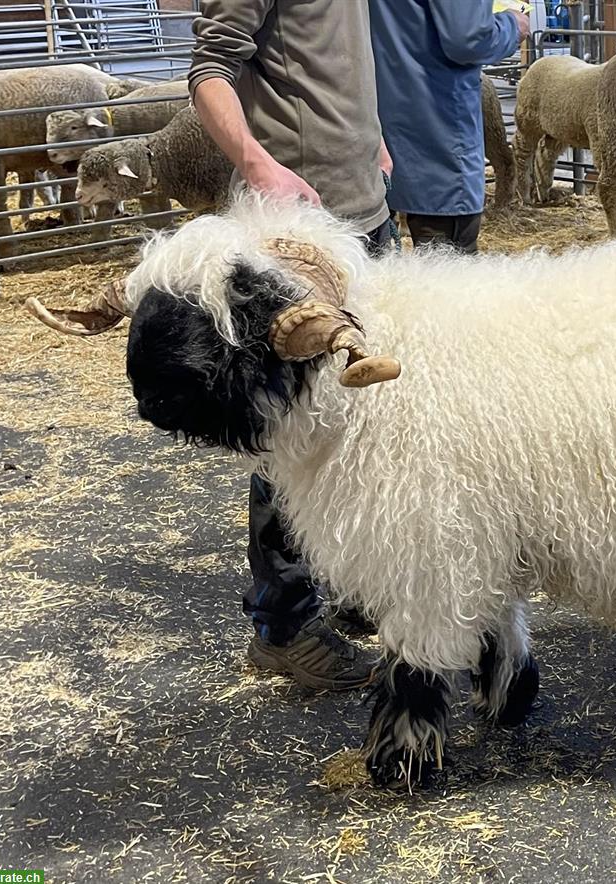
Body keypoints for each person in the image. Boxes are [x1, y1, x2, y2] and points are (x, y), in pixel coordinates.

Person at [188, 0, 389, 688]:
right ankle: (284, 626)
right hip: (297, 238)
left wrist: (373, 136)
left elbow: (335, 61)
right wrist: (257, 163)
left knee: (368, 415)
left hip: (362, 216)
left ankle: (361, 581)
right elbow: (210, 67)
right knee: (291, 423)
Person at [368, 0, 529, 253]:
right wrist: (511, 26)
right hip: (437, 136)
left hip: (375, 122)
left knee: (376, 259)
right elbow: (467, 38)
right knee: (447, 268)